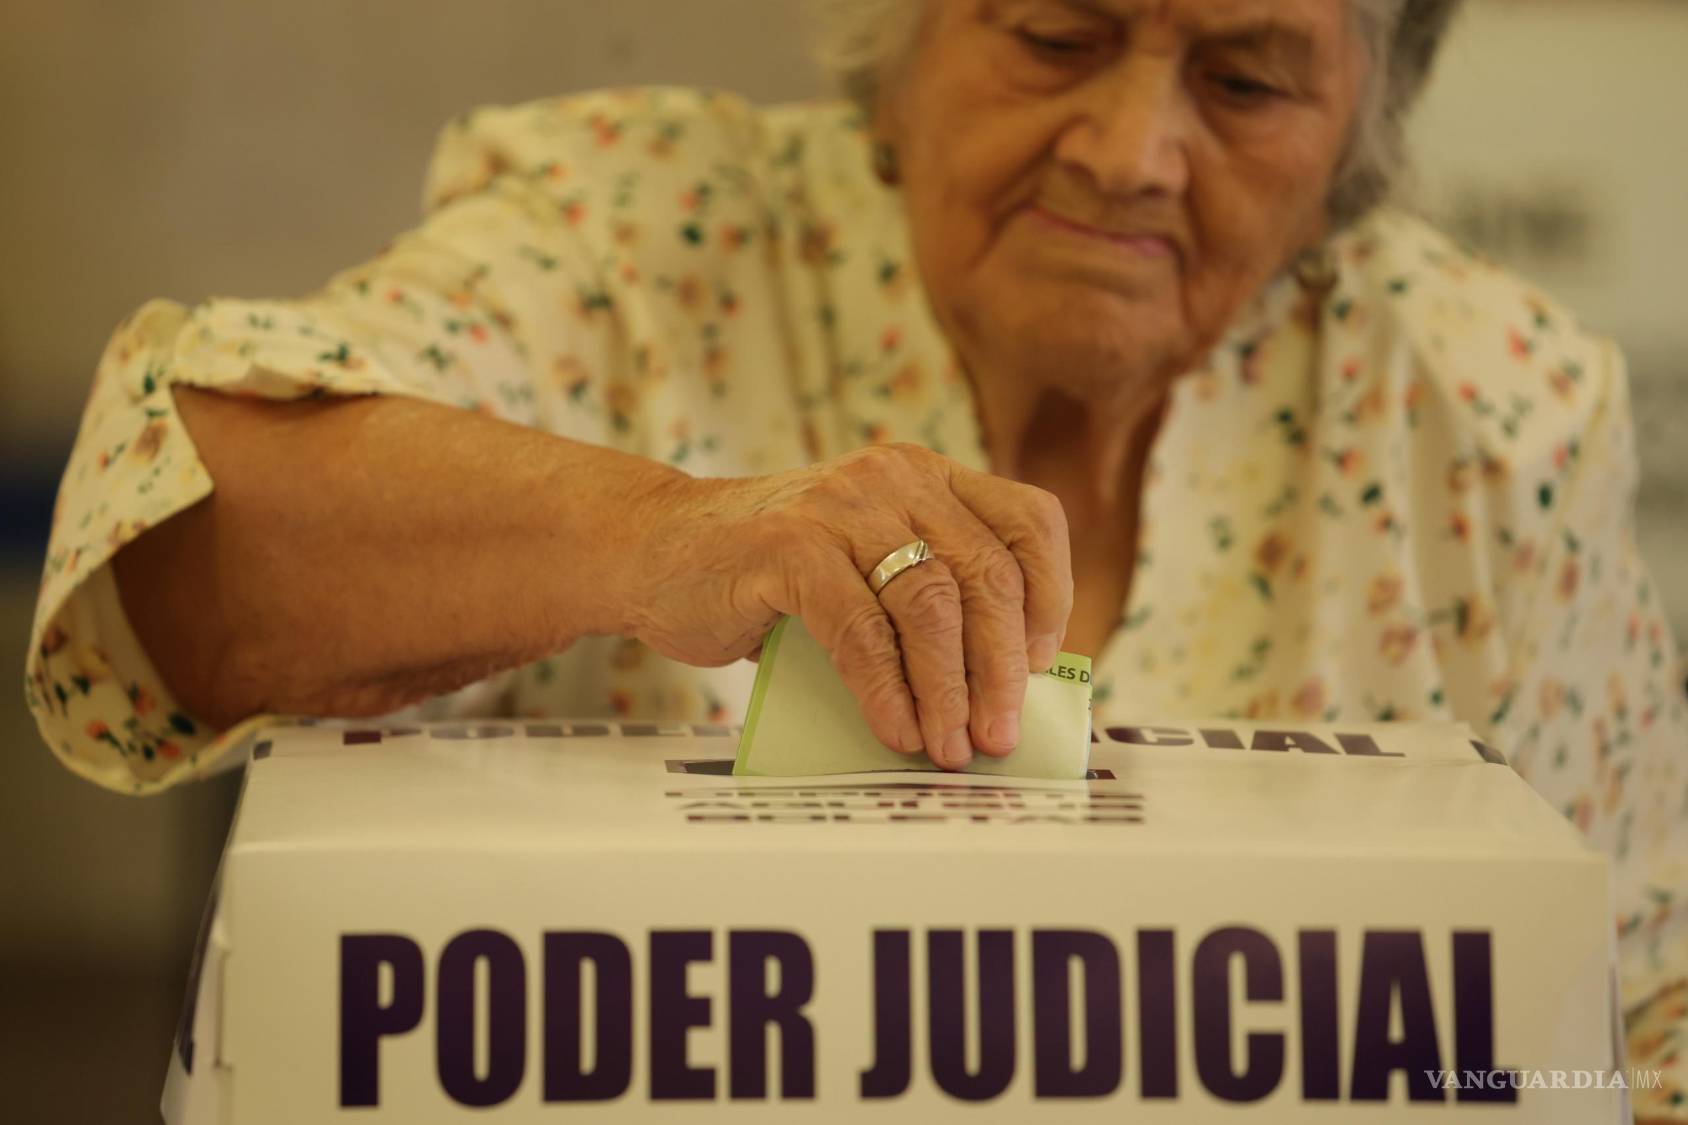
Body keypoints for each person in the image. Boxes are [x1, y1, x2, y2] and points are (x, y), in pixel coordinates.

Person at [23, 0, 1686, 1114]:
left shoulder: (1484, 406)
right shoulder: (640, 236)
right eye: (1054, 31)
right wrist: (658, 529)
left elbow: (1629, 1027)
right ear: (896, 45)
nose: (1129, 149)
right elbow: (173, 538)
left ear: (1354, 148)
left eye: (1245, 81)